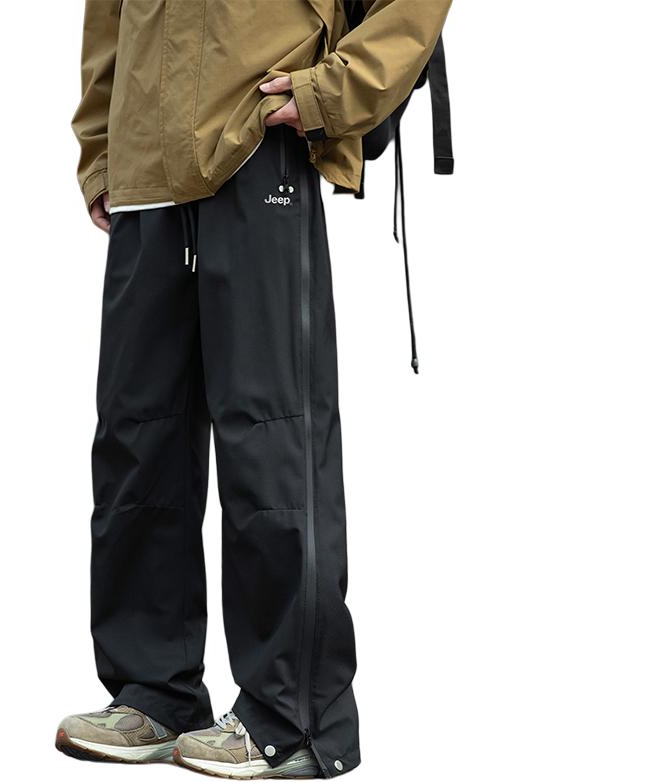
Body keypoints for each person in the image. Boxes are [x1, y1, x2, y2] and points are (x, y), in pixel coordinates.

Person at [56, 1, 451, 778]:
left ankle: (295, 716)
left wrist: (333, 91)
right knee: (138, 438)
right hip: (146, 161)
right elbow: (109, 15)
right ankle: (155, 692)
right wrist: (101, 149)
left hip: (258, 143)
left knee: (270, 434)